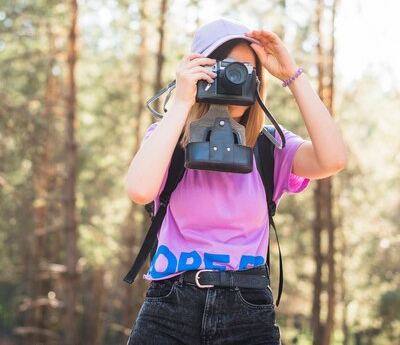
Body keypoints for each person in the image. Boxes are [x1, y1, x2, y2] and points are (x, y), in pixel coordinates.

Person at [124, 18, 347, 344]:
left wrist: (293, 76)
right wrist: (183, 101)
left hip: (247, 308)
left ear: (258, 80)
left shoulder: (271, 146)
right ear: (196, 69)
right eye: (220, 67)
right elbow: (139, 189)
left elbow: (333, 159)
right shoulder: (169, 138)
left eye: (243, 70)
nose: (231, 78)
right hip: (169, 307)